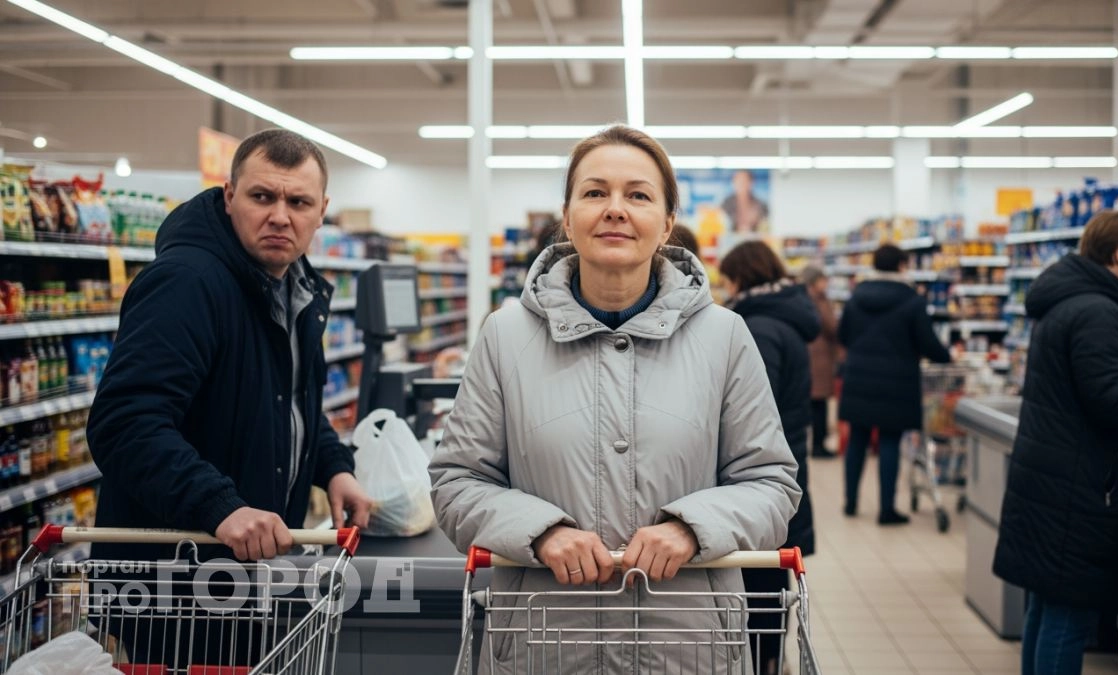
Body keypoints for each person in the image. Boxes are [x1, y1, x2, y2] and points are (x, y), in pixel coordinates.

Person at [429, 125, 802, 675]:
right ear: (568, 216)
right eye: (595, 192)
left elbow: (772, 483)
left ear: (667, 223)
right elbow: (457, 481)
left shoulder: (724, 336)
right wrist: (540, 531)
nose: (615, 209)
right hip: (543, 647)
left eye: (639, 195)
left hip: (688, 647)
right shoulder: (505, 336)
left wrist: (691, 527)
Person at [88, 128, 373, 565]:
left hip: (245, 574)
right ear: (229, 197)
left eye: (299, 202)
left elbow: (288, 402)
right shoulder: (186, 283)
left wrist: (334, 467)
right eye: (262, 197)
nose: (280, 217)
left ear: (321, 212)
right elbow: (125, 423)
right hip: (172, 579)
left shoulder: (298, 290)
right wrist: (218, 505)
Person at [992, 211, 1118, 675]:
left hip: (1053, 480)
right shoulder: (1099, 312)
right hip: (1077, 490)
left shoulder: (1069, 300)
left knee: (1045, 607)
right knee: (1068, 617)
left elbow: (1085, 383)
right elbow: (1116, 406)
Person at [719, 240, 820, 675]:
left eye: (727, 280)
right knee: (772, 585)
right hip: (787, 462)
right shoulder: (786, 318)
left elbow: (755, 413)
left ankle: (764, 665)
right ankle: (771, 661)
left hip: (760, 477)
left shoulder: (758, 328)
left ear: (742, 277)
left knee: (759, 588)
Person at [837, 243, 951, 525]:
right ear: (901, 265)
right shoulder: (912, 300)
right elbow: (927, 342)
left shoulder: (856, 296)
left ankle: (850, 502)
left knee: (858, 438)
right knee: (889, 440)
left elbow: (843, 335)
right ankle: (886, 509)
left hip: (859, 376)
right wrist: (946, 356)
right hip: (896, 380)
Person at [798, 264, 839, 459]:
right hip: (820, 358)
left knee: (813, 403)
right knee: (819, 404)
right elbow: (832, 326)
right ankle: (818, 445)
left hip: (808, 354)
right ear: (815, 282)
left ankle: (815, 443)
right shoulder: (820, 301)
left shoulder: (800, 299)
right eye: (823, 280)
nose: (826, 283)